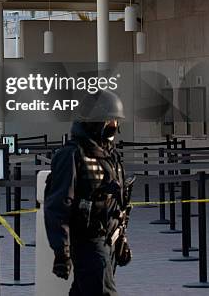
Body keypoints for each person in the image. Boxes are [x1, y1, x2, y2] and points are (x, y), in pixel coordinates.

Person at [44, 89, 133, 296]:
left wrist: (121, 238)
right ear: (96, 122)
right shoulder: (71, 156)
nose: (115, 127)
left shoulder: (111, 155)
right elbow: (57, 206)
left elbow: (118, 201)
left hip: (109, 240)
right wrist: (61, 251)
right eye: (111, 122)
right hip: (87, 240)